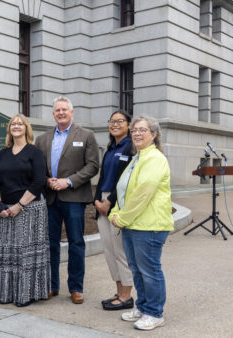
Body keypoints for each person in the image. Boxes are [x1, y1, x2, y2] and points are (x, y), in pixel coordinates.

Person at [109, 115, 174, 331]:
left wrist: (122, 218)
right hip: (133, 225)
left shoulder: (155, 159)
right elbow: (124, 190)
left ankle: (155, 313)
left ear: (154, 134)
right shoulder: (137, 158)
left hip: (149, 226)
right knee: (137, 270)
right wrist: (115, 214)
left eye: (142, 130)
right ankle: (143, 306)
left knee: (150, 271)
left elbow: (142, 194)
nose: (137, 133)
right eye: (134, 130)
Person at [34, 96, 99, 304]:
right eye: (57, 110)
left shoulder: (86, 135)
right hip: (51, 198)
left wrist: (68, 181)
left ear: (72, 112)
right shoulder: (42, 139)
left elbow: (92, 166)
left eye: (64, 110)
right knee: (50, 244)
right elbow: (36, 169)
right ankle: (52, 285)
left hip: (74, 197)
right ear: (53, 114)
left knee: (76, 243)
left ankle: (76, 287)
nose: (60, 113)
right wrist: (47, 180)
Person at [0, 114, 50, 307]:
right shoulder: (3, 154)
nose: (16, 126)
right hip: (5, 212)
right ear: (9, 129)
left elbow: (39, 181)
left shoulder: (34, 152)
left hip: (29, 211)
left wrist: (19, 206)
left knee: (25, 255)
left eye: (20, 123)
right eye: (13, 124)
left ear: (26, 128)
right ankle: (5, 293)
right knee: (7, 255)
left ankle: (26, 294)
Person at [93, 110, 134, 311]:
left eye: (120, 121)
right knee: (109, 251)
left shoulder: (131, 148)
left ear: (129, 124)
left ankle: (127, 296)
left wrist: (109, 201)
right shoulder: (110, 148)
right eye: (112, 121)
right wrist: (96, 201)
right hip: (102, 202)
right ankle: (119, 291)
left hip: (117, 203)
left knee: (120, 252)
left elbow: (125, 181)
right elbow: (102, 178)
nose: (115, 124)